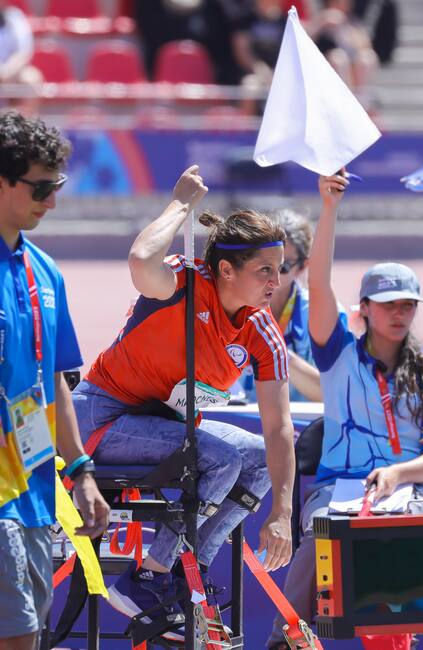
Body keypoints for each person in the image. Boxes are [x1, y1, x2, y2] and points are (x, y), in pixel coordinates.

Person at [71, 165, 295, 639]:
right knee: (220, 458)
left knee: (256, 457)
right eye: (265, 270)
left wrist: (282, 512)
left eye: (280, 269)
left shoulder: (263, 332)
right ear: (227, 270)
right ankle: (147, 579)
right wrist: (179, 204)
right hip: (103, 416)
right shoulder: (185, 282)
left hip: (164, 424)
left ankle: (184, 574)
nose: (276, 282)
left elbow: (278, 430)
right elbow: (140, 261)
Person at [266, 172, 423, 650]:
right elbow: (318, 282)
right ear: (365, 308)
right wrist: (329, 209)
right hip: (339, 489)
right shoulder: (337, 354)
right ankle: (286, 638)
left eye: (408, 305)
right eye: (388, 304)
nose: (399, 313)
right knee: (321, 535)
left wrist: (397, 474)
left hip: (413, 488)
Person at [0, 111, 109, 650]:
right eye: (41, 188)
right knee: (19, 634)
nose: (53, 202)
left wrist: (82, 471)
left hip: (37, 493)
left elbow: (56, 382)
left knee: (30, 633)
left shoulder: (46, 271)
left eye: (56, 186)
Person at [238, 208, 346, 403]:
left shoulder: (325, 314)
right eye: (263, 265)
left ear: (303, 266)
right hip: (237, 419)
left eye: (283, 266)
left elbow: (336, 394)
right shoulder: (231, 308)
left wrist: (275, 350)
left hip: (303, 422)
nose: (272, 277)